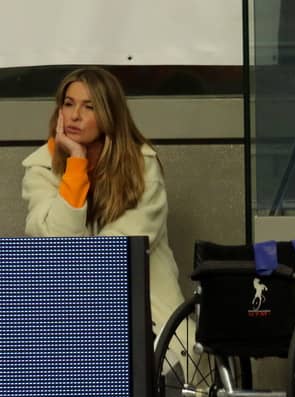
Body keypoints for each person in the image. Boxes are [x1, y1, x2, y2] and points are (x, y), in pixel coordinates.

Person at [22, 67, 184, 334]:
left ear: (110, 114)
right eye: (68, 104)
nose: (75, 115)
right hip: (69, 309)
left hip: (143, 311)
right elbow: (57, 246)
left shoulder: (141, 166)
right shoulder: (42, 167)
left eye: (89, 107)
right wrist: (76, 164)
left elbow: (116, 256)